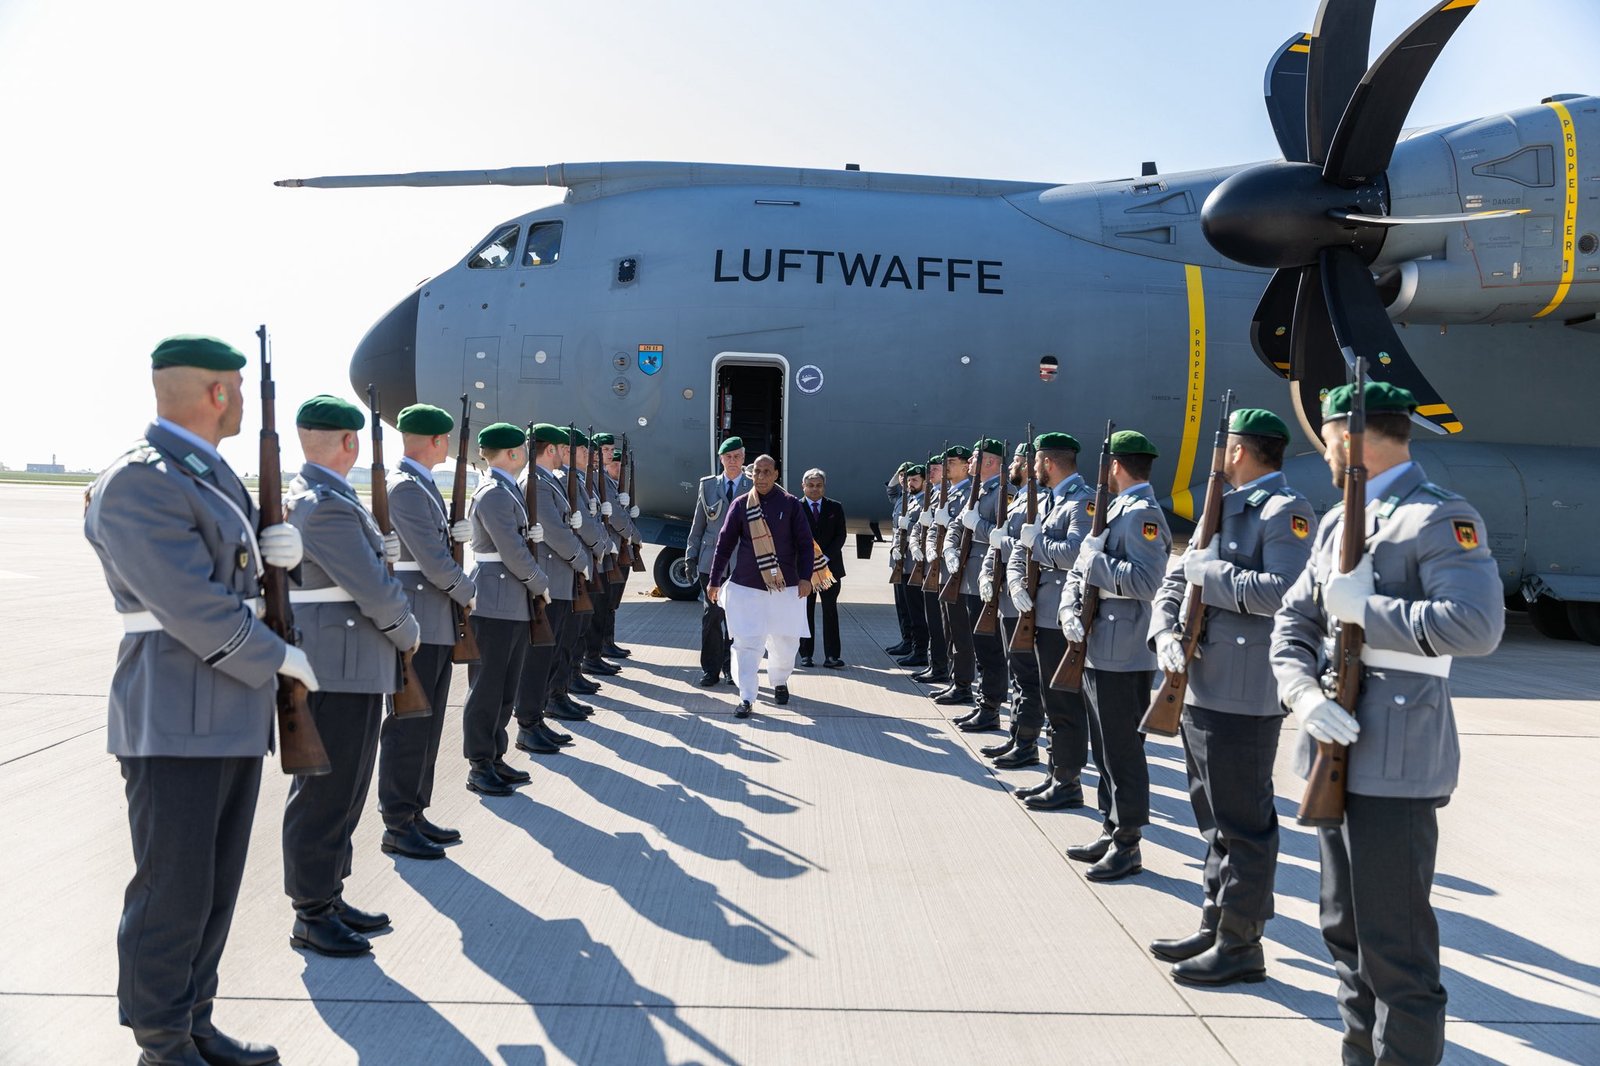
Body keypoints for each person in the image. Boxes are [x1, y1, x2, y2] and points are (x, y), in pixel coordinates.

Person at [85, 334, 305, 1066]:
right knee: (172, 891)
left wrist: (282, 556)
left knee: (212, 889)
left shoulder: (205, 475)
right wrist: (278, 657)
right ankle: (161, 1042)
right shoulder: (141, 480)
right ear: (219, 392)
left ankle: (194, 1022)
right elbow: (190, 604)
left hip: (228, 712)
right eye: (238, 389)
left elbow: (236, 578)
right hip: (175, 715)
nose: (242, 403)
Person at [1272, 382, 1503, 1065]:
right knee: (1344, 934)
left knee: (1395, 951)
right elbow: (1293, 622)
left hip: (1397, 762)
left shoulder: (1437, 516)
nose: (1324, 452)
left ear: (1350, 438)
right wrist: (1301, 694)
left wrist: (1367, 612)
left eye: (1327, 439)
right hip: (1332, 747)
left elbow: (1477, 625)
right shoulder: (1336, 524)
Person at [1146, 408, 1316, 986]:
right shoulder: (1221, 507)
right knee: (1213, 818)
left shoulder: (1285, 511)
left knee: (1244, 824)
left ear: (1238, 452)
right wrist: (1164, 632)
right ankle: (1215, 921)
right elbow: (1176, 580)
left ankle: (1242, 943)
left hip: (1245, 692)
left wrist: (1211, 575)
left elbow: (1286, 593)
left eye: (1224, 448)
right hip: (1199, 684)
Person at [280, 394, 422, 958]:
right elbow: (375, 590)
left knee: (344, 790)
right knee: (326, 794)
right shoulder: (326, 506)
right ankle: (312, 911)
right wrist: (407, 630)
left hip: (348, 665)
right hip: (338, 667)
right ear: (349, 441)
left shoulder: (328, 499)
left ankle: (329, 897)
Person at [1060, 430, 1171, 881]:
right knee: (1104, 749)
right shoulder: (1116, 508)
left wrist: (1095, 564)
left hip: (1124, 652)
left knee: (1123, 752)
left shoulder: (1143, 514)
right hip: (1097, 646)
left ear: (1117, 467)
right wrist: (1070, 607)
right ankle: (1110, 828)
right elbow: (1082, 570)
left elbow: (1147, 582)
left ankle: (1128, 843)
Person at [376, 403, 477, 860]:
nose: (448, 446)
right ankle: (397, 822)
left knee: (428, 725)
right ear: (436, 441)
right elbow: (434, 562)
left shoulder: (420, 485)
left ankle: (415, 812)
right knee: (408, 726)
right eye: (446, 439)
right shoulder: (406, 487)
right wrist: (468, 591)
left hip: (433, 619)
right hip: (417, 620)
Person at [461, 422, 551, 797]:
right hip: (495, 600)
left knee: (504, 687)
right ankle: (480, 764)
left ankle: (495, 756)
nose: (526, 454)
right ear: (513, 453)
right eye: (522, 449)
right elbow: (512, 551)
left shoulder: (506, 489)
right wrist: (539, 581)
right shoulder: (494, 493)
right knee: (487, 688)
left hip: (509, 600)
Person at [1010, 433, 1094, 805]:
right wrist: (1016, 581)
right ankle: (1054, 774)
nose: (1032, 468)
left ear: (1048, 462)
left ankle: (1068, 782)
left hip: (1063, 617)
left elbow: (1077, 554)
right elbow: (1020, 548)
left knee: (1064, 704)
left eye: (1036, 461)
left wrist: (1038, 545)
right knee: (1050, 700)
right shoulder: (1048, 500)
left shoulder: (1082, 502)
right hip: (1040, 613)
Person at [706, 454, 815, 717]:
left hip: (785, 588)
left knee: (785, 643)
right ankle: (746, 697)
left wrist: (805, 578)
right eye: (757, 471)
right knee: (746, 644)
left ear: (776, 474)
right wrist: (714, 580)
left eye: (767, 471)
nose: (761, 476)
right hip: (747, 588)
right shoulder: (741, 504)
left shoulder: (790, 504)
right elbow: (724, 545)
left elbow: (805, 544)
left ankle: (779, 680)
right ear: (751, 474)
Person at [511, 422, 586, 756]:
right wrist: (581, 557)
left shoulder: (548, 481)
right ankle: (528, 723)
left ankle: (537, 718)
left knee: (549, 655)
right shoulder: (536, 483)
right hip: (548, 580)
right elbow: (554, 531)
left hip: (558, 579)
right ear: (551, 448)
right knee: (538, 658)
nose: (565, 455)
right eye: (563, 448)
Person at [979, 443, 1040, 762]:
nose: (1011, 466)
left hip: (1026, 599)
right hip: (1009, 595)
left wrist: (1001, 541)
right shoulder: (1021, 499)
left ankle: (1027, 743)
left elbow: (1024, 545)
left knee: (1027, 676)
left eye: (1016, 461)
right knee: (1017, 673)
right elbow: (1009, 543)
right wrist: (988, 573)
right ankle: (1017, 737)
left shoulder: (1038, 499)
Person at [946, 438, 1009, 729]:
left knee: (990, 649)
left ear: (991, 461)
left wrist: (978, 526)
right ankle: (983, 704)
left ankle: (991, 709)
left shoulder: (1004, 493)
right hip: (970, 579)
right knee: (980, 647)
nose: (970, 463)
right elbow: (958, 524)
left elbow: (1003, 536)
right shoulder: (979, 490)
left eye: (975, 458)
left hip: (989, 579)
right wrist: (950, 548)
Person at [687, 436, 748, 686]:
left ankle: (731, 668)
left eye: (737, 457)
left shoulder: (753, 485)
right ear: (721, 459)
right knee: (711, 617)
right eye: (728, 457)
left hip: (741, 562)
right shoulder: (709, 485)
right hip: (710, 561)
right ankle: (710, 670)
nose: (732, 461)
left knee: (736, 619)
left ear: (743, 458)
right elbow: (698, 524)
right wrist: (690, 555)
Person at [929, 445, 975, 703]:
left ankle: (963, 685)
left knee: (960, 631)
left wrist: (946, 523)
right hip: (945, 568)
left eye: (953, 462)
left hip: (961, 571)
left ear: (966, 466)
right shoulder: (946, 492)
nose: (947, 466)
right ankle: (954, 680)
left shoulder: (971, 492)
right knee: (949, 629)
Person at [798, 467, 848, 668]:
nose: (814, 489)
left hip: (830, 569)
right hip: (805, 570)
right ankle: (806, 654)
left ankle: (832, 656)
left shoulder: (835, 507)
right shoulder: (796, 507)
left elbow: (841, 535)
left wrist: (825, 557)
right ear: (803, 486)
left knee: (830, 611)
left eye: (819, 485)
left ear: (824, 487)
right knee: (805, 612)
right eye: (810, 485)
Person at [909, 453, 950, 683]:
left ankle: (944, 668)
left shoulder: (949, 494)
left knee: (943, 623)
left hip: (943, 567)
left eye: (935, 469)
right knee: (932, 619)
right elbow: (920, 526)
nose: (931, 473)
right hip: (929, 564)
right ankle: (936, 664)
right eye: (931, 469)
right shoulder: (933, 495)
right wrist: (915, 544)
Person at [891, 463, 929, 666]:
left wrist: (910, 525)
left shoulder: (926, 501)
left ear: (924, 481)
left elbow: (927, 529)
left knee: (917, 609)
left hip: (916, 563)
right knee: (905, 606)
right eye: (908, 480)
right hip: (902, 561)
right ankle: (911, 643)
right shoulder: (909, 500)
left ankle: (920, 649)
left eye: (915, 480)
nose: (910, 483)